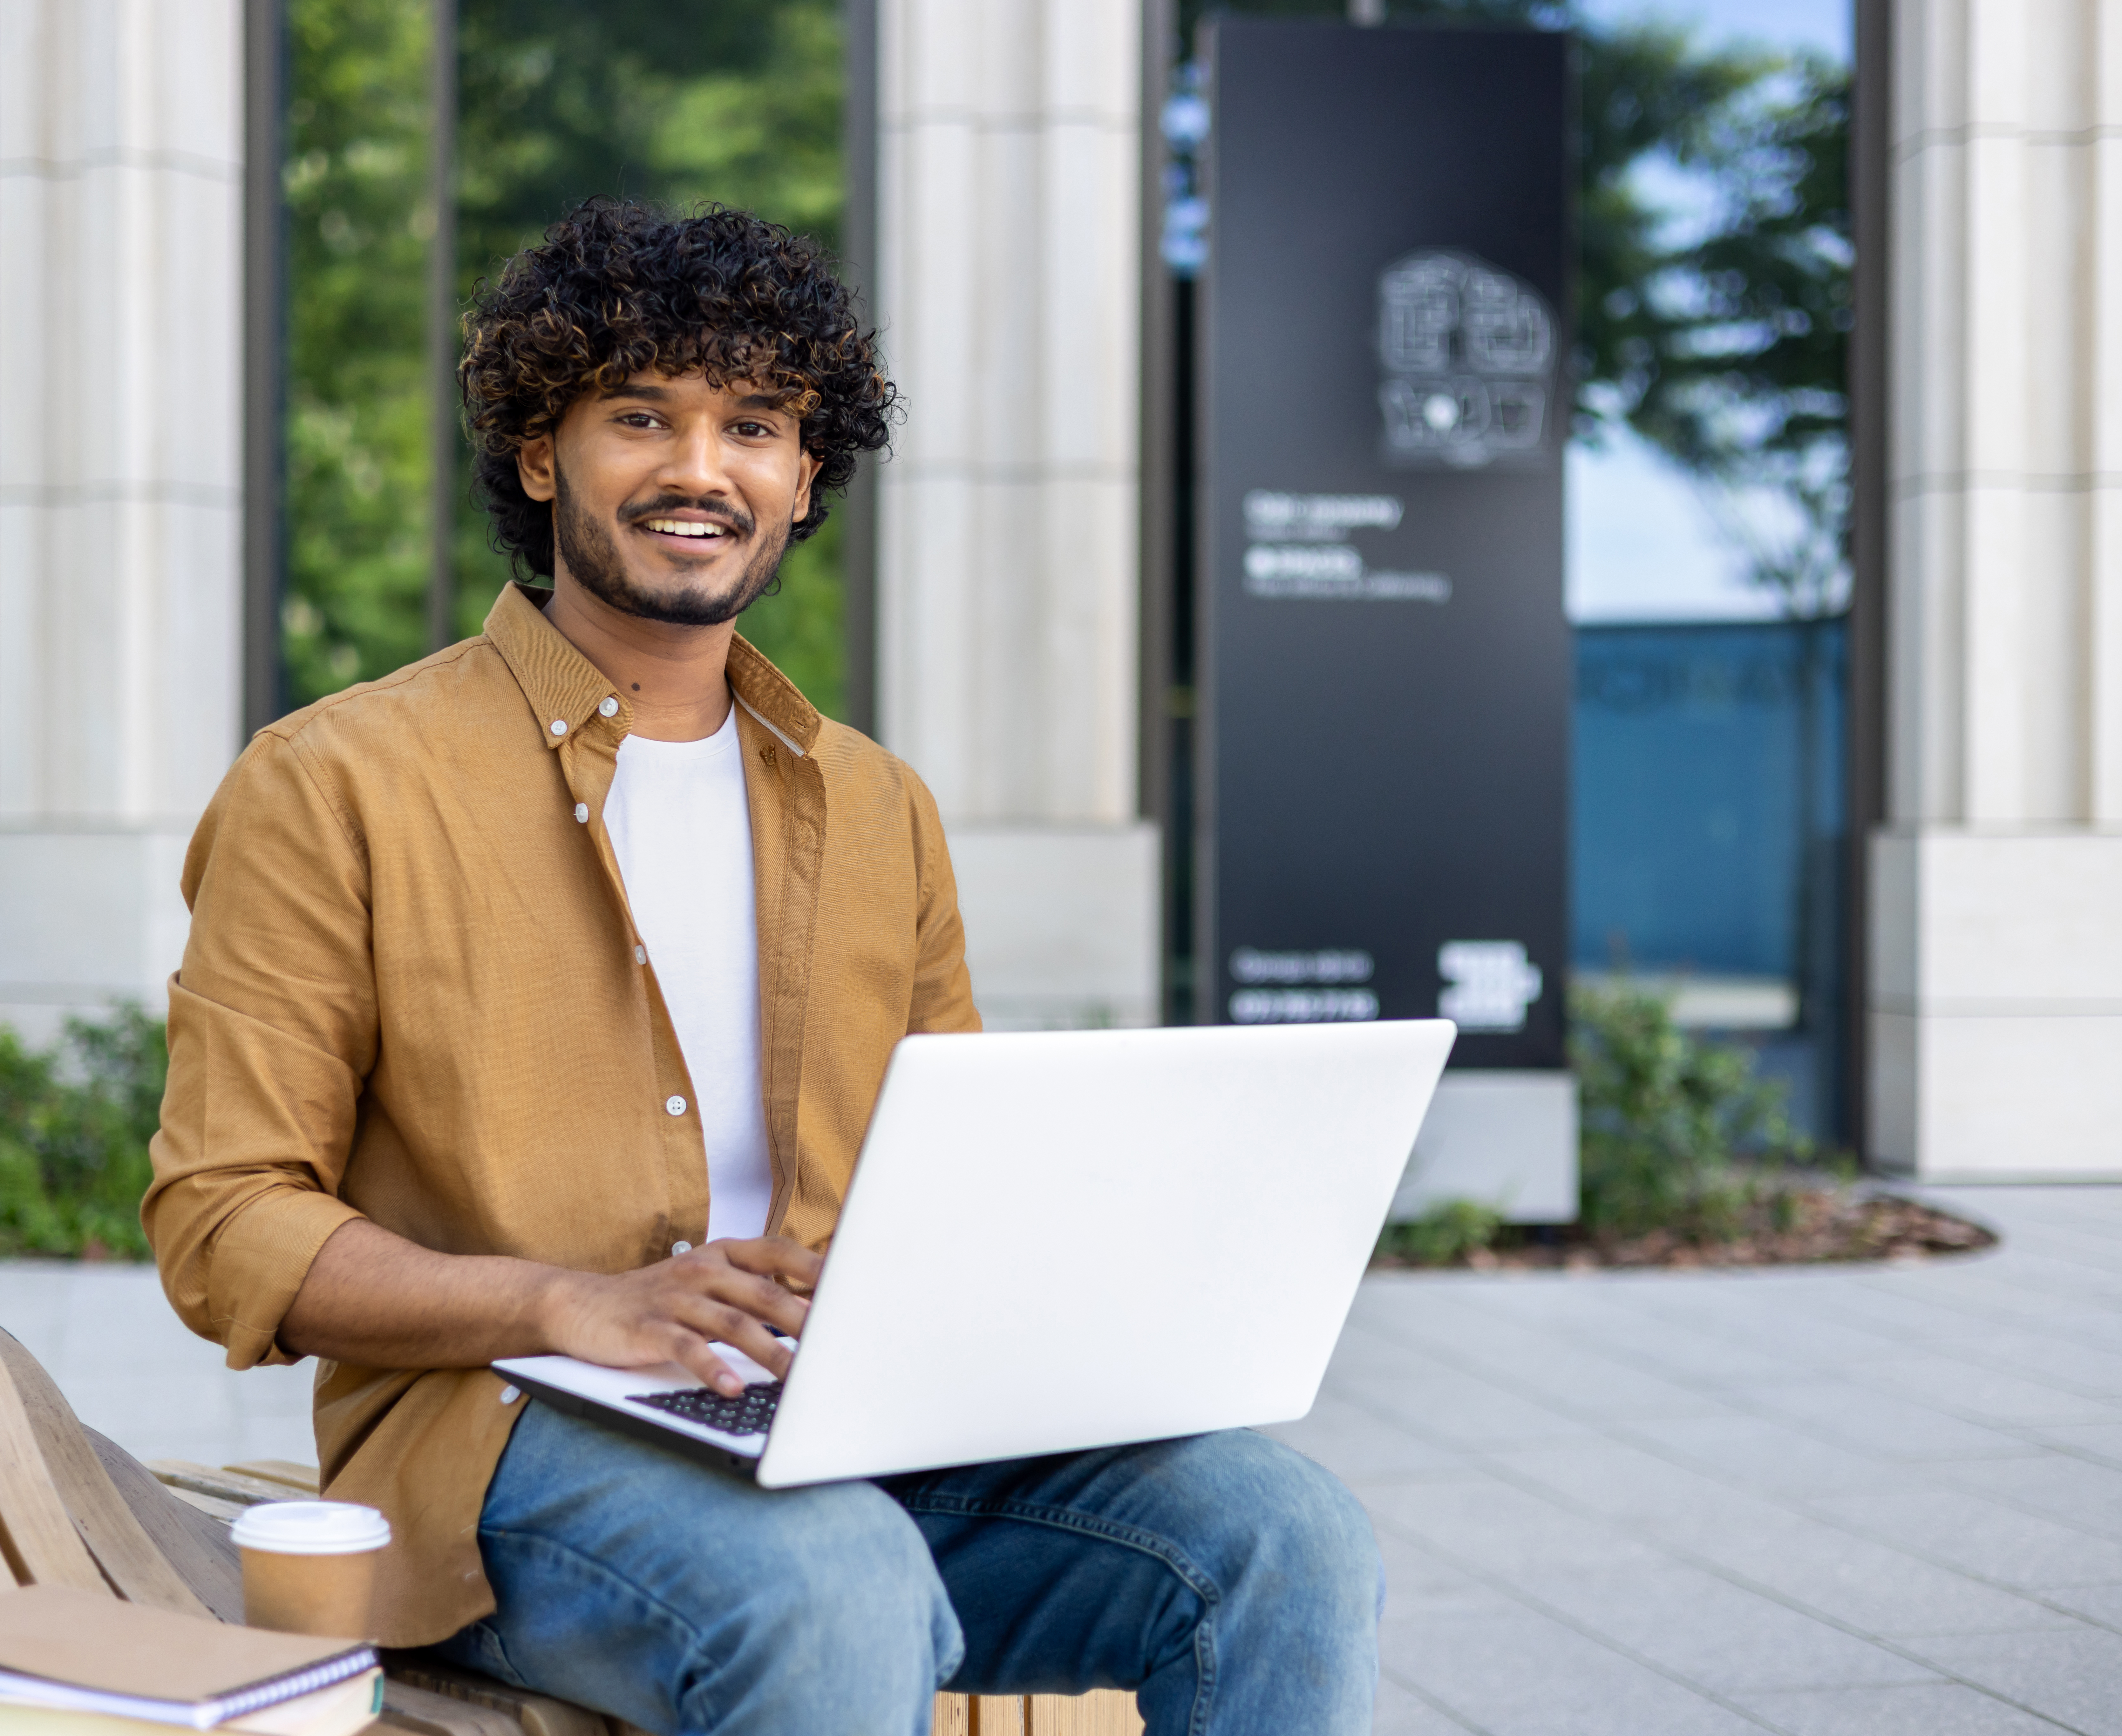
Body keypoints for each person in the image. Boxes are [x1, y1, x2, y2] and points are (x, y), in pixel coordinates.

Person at [144, 199, 1382, 1736]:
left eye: (752, 425)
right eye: (639, 417)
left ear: (802, 480)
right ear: (541, 457)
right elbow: (224, 1221)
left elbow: (969, 1181)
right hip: (500, 1443)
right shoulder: (334, 779)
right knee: (833, 1577)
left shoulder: (876, 805)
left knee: (1283, 1535)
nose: (698, 467)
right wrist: (568, 1303)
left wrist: (1106, 1308)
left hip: (855, 1422)